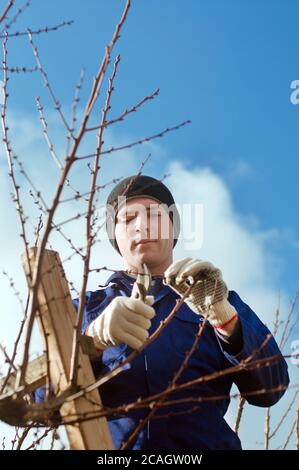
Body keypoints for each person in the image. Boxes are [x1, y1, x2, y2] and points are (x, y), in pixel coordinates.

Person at [78, 174, 289, 450]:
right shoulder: (84, 309)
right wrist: (91, 344)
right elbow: (40, 404)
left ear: (173, 226)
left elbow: (271, 389)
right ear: (114, 235)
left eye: (154, 214)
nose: (142, 226)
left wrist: (226, 321)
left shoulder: (217, 298)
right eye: (128, 218)